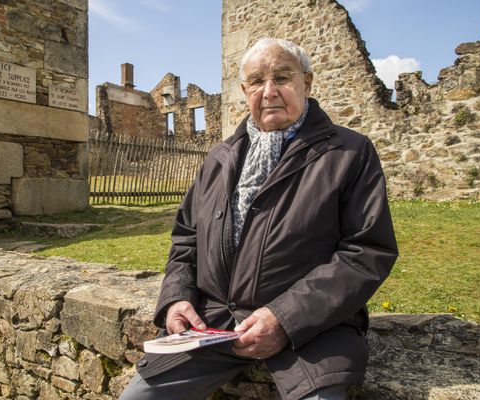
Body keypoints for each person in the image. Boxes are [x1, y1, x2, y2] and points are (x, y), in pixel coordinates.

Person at [120, 38, 398, 400]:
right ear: (244, 90)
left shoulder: (349, 152)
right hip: (214, 323)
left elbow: (366, 251)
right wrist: (176, 298)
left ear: (307, 84)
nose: (269, 92)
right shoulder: (219, 159)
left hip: (313, 329)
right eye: (257, 81)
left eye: (282, 78)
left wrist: (284, 317)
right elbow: (187, 238)